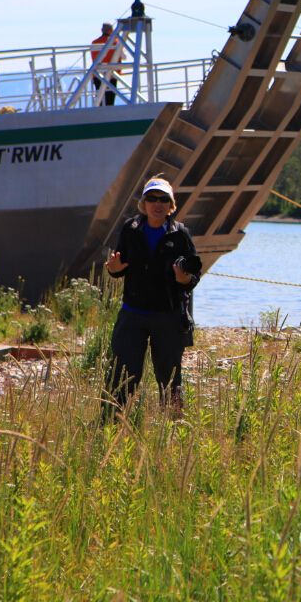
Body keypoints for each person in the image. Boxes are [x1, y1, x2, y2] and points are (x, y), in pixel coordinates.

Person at [102, 176, 201, 420]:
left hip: (167, 316)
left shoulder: (180, 235)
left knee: (170, 378)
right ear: (143, 203)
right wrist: (113, 269)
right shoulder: (131, 230)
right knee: (121, 373)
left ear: (171, 206)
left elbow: (193, 276)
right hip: (133, 314)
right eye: (152, 199)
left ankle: (173, 428)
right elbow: (119, 266)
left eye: (163, 199)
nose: (157, 204)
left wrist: (183, 280)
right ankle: (109, 423)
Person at [90, 22, 121, 106]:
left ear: (101, 30)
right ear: (111, 30)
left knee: (100, 100)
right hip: (112, 75)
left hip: (98, 74)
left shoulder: (94, 42)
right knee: (110, 101)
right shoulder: (116, 42)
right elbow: (122, 56)